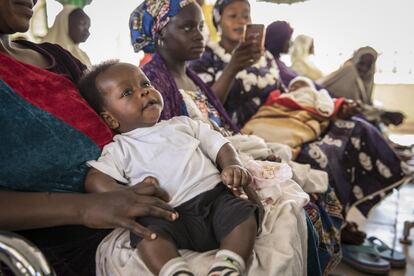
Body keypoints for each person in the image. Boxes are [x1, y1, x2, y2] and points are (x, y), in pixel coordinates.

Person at [129, 0, 344, 274]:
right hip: (210, 159)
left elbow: (219, 122)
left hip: (227, 144)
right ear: (159, 35)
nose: (199, 35)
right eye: (187, 28)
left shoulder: (191, 75)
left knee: (311, 182)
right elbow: (175, 142)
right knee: (300, 205)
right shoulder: (153, 82)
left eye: (200, 26)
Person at [0, 1, 178, 274]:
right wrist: (86, 207)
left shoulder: (58, 58)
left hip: (148, 210)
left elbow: (120, 119)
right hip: (67, 253)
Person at [78, 60, 261, 276]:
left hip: (215, 200)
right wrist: (124, 193)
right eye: (128, 92)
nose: (144, 92)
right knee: (147, 234)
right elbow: (95, 179)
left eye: (145, 84)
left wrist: (232, 165)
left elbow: (220, 144)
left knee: (244, 212)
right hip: (168, 215)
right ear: (110, 118)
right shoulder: (119, 149)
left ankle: (228, 265)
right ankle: (174, 271)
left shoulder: (182, 124)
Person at [189, 0, 280, 127]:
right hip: (232, 137)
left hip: (274, 126)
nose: (241, 21)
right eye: (233, 15)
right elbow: (203, 108)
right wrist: (233, 67)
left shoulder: (265, 56)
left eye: (246, 16)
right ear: (218, 20)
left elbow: (280, 92)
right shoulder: (204, 57)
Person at [320, 46, 405, 127]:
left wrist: (381, 113)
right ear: (355, 60)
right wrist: (382, 113)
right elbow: (350, 104)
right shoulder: (349, 70)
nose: (364, 68)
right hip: (333, 108)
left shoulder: (366, 80)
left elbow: (365, 104)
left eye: (368, 65)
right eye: (361, 63)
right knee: (362, 123)